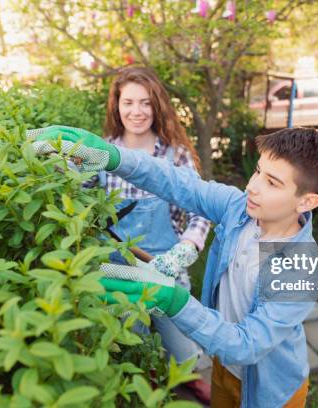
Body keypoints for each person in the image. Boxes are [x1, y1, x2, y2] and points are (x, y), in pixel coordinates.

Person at [33, 126, 318, 406]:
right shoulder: (239, 210)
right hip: (223, 367)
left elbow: (246, 345)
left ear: (306, 202)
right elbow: (179, 184)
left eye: (272, 183)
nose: (252, 187)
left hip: (271, 390)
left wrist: (174, 300)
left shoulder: (302, 268)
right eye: (258, 171)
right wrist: (113, 157)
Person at [95, 66, 212, 402]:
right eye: (128, 102)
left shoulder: (175, 155)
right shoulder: (103, 153)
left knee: (183, 349)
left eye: (145, 103)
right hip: (122, 274)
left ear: (157, 106)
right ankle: (148, 389)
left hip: (168, 270)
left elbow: (200, 210)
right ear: (116, 105)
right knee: (134, 347)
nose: (137, 111)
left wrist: (187, 248)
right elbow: (81, 205)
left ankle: (185, 381)